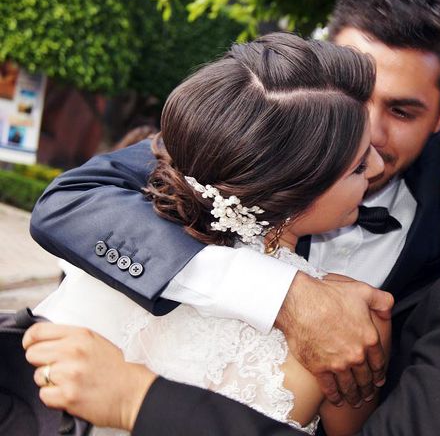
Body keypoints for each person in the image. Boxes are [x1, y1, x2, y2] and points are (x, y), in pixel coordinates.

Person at [28, 0, 440, 405]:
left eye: (401, 110)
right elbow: (71, 203)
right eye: (352, 99)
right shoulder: (254, 125)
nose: (365, 140)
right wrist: (285, 294)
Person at [34, 32, 392, 434]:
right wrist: (283, 293)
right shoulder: (357, 325)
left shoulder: (116, 251)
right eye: (359, 166)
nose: (378, 167)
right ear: (293, 193)